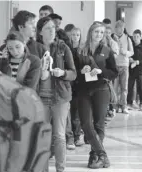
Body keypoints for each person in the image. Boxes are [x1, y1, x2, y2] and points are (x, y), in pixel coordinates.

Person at [74, 21, 118, 169]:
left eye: (101, 32)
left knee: (99, 124)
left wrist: (101, 71)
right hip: (84, 90)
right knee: (86, 123)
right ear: (90, 32)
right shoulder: (80, 50)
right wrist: (81, 71)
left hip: (101, 89)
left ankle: (94, 155)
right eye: (96, 32)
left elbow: (114, 72)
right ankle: (102, 154)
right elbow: (74, 71)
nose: (99, 35)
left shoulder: (106, 50)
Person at [36, 16, 77, 172]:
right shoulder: (34, 48)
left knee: (59, 136)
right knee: (42, 136)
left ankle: (61, 169)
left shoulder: (62, 47)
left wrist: (63, 73)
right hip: (39, 98)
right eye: (48, 28)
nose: (52, 30)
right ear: (40, 32)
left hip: (60, 97)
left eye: (53, 27)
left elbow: (73, 73)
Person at [127, 29, 142, 111]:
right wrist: (129, 59)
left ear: (140, 37)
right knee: (130, 86)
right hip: (131, 69)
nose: (135, 38)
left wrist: (139, 62)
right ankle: (129, 103)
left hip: (141, 70)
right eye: (134, 36)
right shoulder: (130, 45)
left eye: (137, 36)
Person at [113, 20, 134, 114]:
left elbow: (132, 52)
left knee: (124, 88)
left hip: (124, 65)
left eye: (122, 27)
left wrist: (126, 53)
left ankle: (124, 106)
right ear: (115, 28)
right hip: (115, 65)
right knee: (115, 87)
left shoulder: (127, 38)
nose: (120, 29)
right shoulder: (112, 38)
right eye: (118, 27)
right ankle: (115, 106)